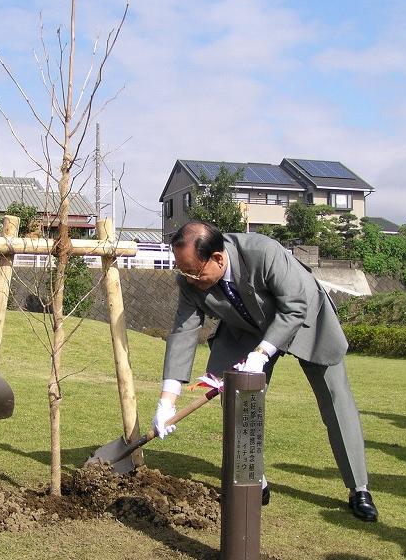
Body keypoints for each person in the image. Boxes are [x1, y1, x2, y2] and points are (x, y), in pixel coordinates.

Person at [151, 221, 378, 522]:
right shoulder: (189, 280)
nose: (190, 279)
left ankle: (358, 488)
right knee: (236, 401)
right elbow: (182, 333)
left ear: (218, 258)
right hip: (245, 329)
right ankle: (255, 480)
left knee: (336, 400)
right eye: (184, 271)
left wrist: (262, 354)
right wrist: (167, 400)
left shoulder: (262, 252)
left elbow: (294, 307)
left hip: (306, 320)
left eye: (195, 271)